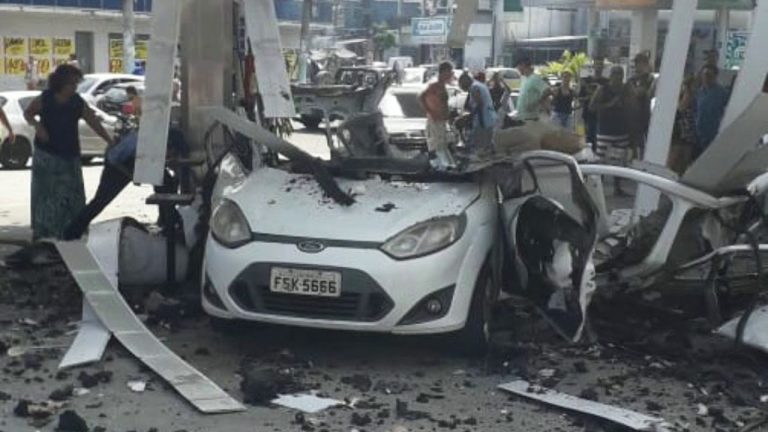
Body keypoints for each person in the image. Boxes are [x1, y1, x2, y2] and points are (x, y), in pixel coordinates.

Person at [23, 64, 114, 240]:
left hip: (69, 154)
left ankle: (71, 231)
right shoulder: (45, 98)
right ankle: (44, 233)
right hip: (46, 155)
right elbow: (28, 114)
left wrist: (109, 141)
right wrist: (38, 126)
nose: (74, 88)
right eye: (71, 84)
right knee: (46, 195)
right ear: (60, 83)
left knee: (71, 195)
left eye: (76, 84)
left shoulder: (77, 102)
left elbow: (93, 122)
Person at [63, 128, 187, 240]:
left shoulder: (158, 144)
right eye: (170, 152)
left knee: (167, 183)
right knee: (100, 201)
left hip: (136, 162)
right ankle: (72, 232)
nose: (168, 156)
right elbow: (112, 158)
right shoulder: (136, 142)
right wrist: (131, 175)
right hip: (117, 167)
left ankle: (169, 223)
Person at [591, 66, 633, 195]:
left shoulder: (625, 89)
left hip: (621, 129)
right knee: (601, 159)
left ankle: (617, 187)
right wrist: (609, 105)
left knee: (618, 160)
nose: (618, 77)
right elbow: (592, 107)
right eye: (616, 74)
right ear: (611, 76)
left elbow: (632, 104)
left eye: (620, 75)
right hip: (605, 129)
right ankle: (597, 186)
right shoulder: (602, 89)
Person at [419, 61, 454, 167]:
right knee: (436, 145)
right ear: (443, 72)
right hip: (435, 120)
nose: (451, 74)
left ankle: (444, 166)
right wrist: (430, 112)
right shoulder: (434, 85)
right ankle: (438, 166)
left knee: (442, 144)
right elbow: (421, 97)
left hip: (441, 120)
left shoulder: (442, 85)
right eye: (449, 72)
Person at [694, 64, 729, 158]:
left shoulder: (722, 93)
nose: (706, 77)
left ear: (715, 76)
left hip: (713, 132)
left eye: (709, 75)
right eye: (704, 75)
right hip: (698, 132)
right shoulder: (699, 92)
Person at [458, 72, 497, 155]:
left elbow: (479, 104)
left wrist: (469, 118)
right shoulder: (479, 84)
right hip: (489, 118)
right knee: (486, 146)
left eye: (461, 86)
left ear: (465, 82)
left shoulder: (474, 87)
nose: (462, 88)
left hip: (484, 120)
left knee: (479, 148)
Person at [627, 52, 655, 159]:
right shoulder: (631, 80)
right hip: (633, 117)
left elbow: (647, 93)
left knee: (645, 144)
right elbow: (635, 93)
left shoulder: (650, 79)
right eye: (638, 63)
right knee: (634, 145)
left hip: (645, 115)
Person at [667, 76, 697, 175]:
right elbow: (681, 109)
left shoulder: (694, 95)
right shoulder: (685, 95)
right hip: (681, 132)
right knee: (675, 160)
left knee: (683, 161)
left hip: (687, 132)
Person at [579, 58, 608, 151]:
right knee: (589, 139)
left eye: (600, 65)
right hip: (588, 115)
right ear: (593, 66)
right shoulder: (586, 81)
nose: (598, 67)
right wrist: (589, 98)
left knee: (599, 139)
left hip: (601, 115)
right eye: (597, 64)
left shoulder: (606, 82)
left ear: (603, 67)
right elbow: (580, 98)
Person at [515, 57, 551, 122]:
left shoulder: (535, 78)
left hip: (531, 117)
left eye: (518, 67)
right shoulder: (524, 78)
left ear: (523, 65)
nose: (518, 69)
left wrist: (535, 103)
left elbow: (548, 91)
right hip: (521, 116)